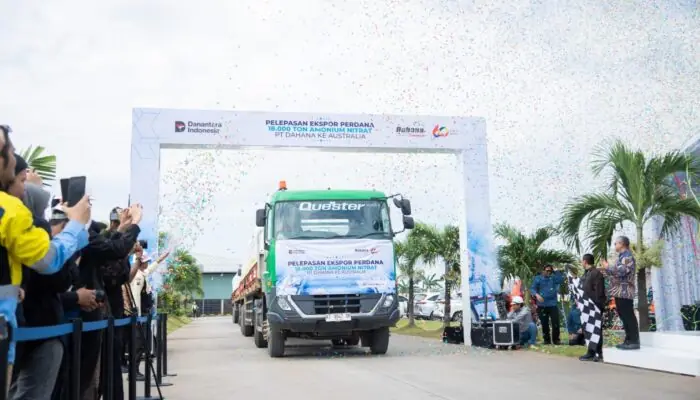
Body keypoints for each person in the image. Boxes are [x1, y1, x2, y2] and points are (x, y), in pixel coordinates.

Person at [0, 125, 91, 394]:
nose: (14, 155)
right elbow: (48, 260)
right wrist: (76, 225)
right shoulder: (9, 211)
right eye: (9, 149)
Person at [76, 203, 142, 400]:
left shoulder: (100, 239)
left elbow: (118, 262)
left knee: (107, 365)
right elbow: (113, 251)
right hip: (88, 310)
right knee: (87, 373)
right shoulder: (82, 235)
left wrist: (123, 230)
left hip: (106, 310)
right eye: (113, 223)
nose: (113, 227)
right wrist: (134, 224)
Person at [601, 237, 639, 350]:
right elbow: (615, 273)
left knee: (628, 316)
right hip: (619, 291)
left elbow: (622, 271)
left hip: (625, 291)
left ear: (622, 244)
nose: (614, 245)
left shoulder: (627, 256)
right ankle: (628, 340)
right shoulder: (621, 257)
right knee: (623, 316)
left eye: (616, 243)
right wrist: (605, 270)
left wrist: (607, 267)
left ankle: (634, 341)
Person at [530, 264, 564, 345]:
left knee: (555, 322)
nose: (549, 272)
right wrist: (537, 295)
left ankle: (556, 340)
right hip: (542, 305)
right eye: (547, 270)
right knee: (544, 323)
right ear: (543, 271)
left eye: (550, 271)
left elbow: (560, 280)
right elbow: (532, 289)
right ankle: (546, 340)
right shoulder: (538, 278)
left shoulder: (553, 278)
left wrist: (556, 271)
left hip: (553, 304)